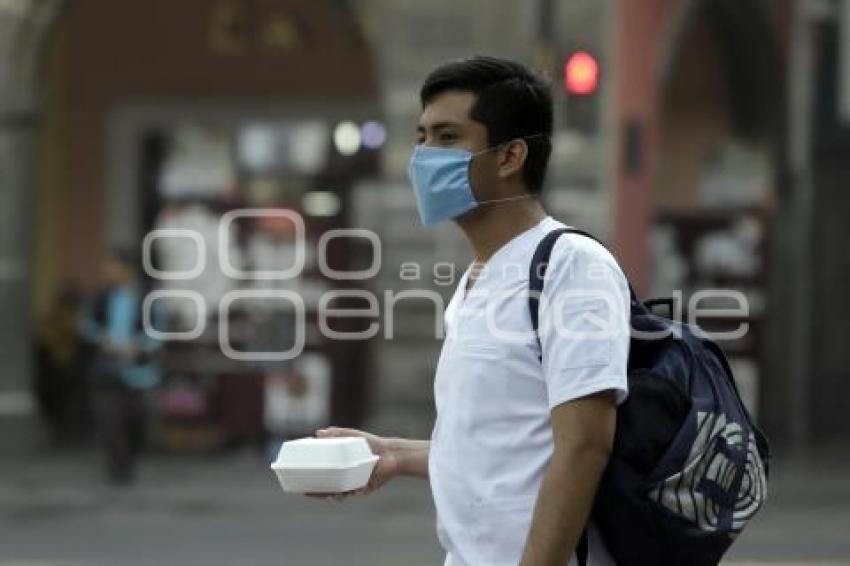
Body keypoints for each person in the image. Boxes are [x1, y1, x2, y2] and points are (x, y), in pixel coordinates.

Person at [313, 56, 631, 566]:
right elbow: (498, 446)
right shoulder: (477, 278)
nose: (422, 156)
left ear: (510, 156)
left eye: (446, 137)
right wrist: (393, 455)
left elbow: (584, 446)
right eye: (420, 137)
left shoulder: (571, 266)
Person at [81, 249, 162, 484]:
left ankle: (128, 460)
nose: (108, 271)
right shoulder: (100, 297)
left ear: (127, 269)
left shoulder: (147, 298)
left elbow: (158, 330)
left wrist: (139, 345)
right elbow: (87, 326)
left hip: (138, 372)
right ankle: (117, 468)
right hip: (106, 370)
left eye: (113, 265)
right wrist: (102, 338)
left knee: (135, 419)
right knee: (109, 421)